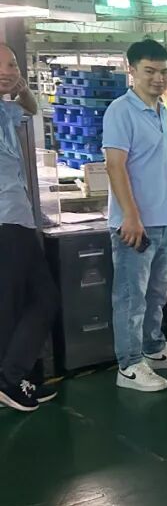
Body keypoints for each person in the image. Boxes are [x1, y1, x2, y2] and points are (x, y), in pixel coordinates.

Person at [103, 40, 167, 392]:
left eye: (164, 71)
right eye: (150, 71)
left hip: (163, 219)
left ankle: (153, 348)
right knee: (131, 297)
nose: (159, 78)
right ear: (132, 71)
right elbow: (115, 165)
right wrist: (130, 216)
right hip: (135, 224)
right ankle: (128, 365)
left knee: (157, 292)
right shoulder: (120, 111)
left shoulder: (156, 110)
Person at [0, 43, 59, 412]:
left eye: (12, 65)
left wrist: (21, 88)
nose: (8, 70)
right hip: (6, 220)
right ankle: (9, 378)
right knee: (38, 299)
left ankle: (11, 377)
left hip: (17, 217)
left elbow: (33, 109)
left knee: (27, 300)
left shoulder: (5, 109)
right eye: (2, 66)